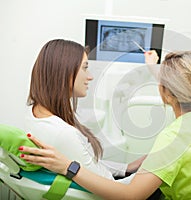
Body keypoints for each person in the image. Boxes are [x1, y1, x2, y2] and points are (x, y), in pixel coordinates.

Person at [20, 50, 191, 199]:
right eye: (85, 68)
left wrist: (69, 167)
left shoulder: (173, 138)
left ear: (163, 92)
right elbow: (179, 84)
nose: (90, 76)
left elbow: (132, 196)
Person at [25, 39, 145, 183]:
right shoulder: (63, 133)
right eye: (84, 68)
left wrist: (128, 167)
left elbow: (88, 164)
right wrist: (152, 173)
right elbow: (111, 187)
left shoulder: (35, 113)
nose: (90, 76)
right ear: (64, 71)